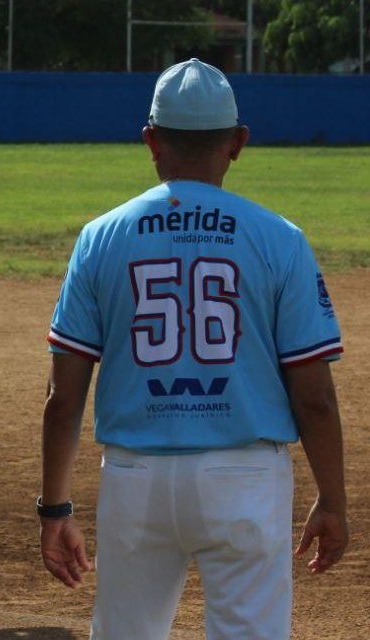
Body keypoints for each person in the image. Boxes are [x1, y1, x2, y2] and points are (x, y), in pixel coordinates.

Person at [38, 59, 348, 639]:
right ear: (237, 143)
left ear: (151, 141)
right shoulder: (279, 238)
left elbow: (63, 398)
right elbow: (315, 400)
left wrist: (55, 509)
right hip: (247, 479)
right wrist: (333, 499)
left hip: (135, 480)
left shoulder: (101, 236)